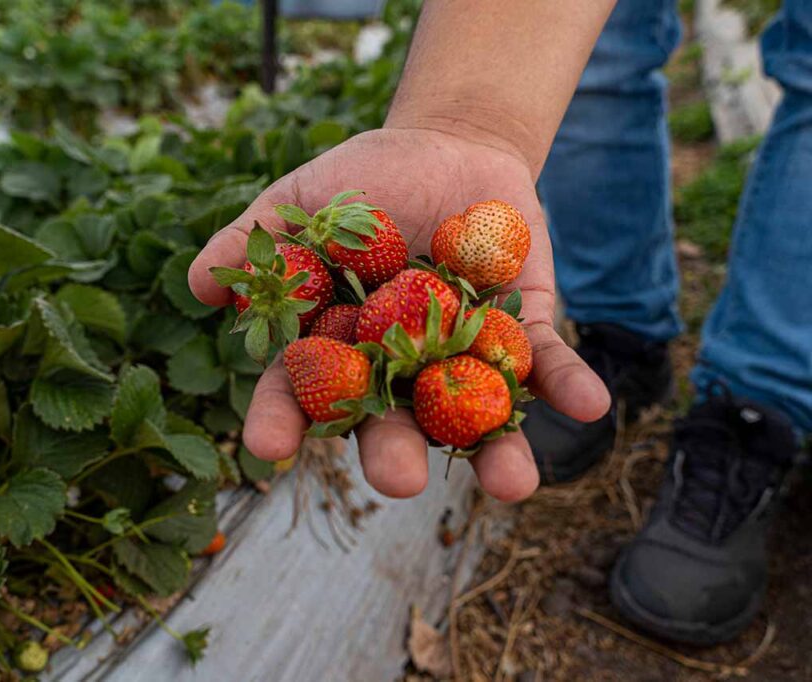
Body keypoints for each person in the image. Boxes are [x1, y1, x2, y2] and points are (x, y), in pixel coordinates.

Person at [188, 0, 807, 645]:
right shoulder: (387, 304)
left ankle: (755, 406)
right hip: (419, 318)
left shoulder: (407, 306)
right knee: (607, 56)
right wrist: (471, 123)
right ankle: (623, 334)